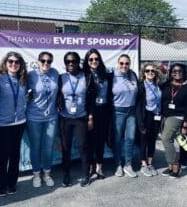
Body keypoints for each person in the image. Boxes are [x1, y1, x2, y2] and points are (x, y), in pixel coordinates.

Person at [58, 51, 96, 187]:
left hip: (81, 118)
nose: (71, 64)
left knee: (83, 147)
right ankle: (66, 175)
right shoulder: (61, 77)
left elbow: (91, 99)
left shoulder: (87, 77)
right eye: (68, 62)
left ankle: (86, 175)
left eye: (73, 61)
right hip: (65, 118)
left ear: (78, 62)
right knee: (66, 148)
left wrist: (90, 116)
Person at [0, 52, 27, 196]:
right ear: (5, 63)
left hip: (19, 122)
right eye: (11, 62)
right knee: (3, 155)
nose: (14, 64)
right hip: (2, 124)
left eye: (17, 62)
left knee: (15, 155)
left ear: (21, 65)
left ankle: (12, 183)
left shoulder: (23, 80)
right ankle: (1, 185)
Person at [26, 51, 59, 187]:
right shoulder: (31, 75)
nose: (46, 63)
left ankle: (47, 174)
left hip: (51, 117)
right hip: (34, 117)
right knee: (36, 147)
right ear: (38, 61)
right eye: (43, 60)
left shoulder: (55, 73)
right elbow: (23, 91)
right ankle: (36, 175)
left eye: (49, 61)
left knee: (48, 148)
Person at [82, 49, 113, 179]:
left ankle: (99, 166)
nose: (94, 61)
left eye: (96, 59)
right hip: (90, 112)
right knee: (89, 141)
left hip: (104, 111)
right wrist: (89, 115)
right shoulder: (84, 75)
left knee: (100, 140)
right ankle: (90, 167)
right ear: (87, 61)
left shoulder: (106, 74)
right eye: (91, 59)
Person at [161, 63, 187, 177]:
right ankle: (170, 166)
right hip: (165, 116)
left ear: (184, 73)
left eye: (180, 71)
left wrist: (185, 124)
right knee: (171, 140)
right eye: (174, 71)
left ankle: (176, 164)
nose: (177, 73)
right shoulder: (166, 85)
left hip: (177, 117)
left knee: (166, 139)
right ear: (170, 73)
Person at [112, 54, 139, 178]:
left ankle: (128, 165)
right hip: (118, 112)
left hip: (131, 112)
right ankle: (118, 164)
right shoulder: (112, 76)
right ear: (118, 64)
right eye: (122, 63)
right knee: (117, 139)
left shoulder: (133, 75)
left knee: (131, 138)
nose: (124, 65)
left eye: (127, 63)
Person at [136, 63, 162, 176]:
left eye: (152, 71)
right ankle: (143, 164)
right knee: (144, 141)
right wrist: (140, 123)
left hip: (156, 115)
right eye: (147, 71)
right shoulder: (141, 86)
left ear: (156, 73)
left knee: (152, 140)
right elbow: (138, 106)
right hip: (145, 115)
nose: (150, 72)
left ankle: (150, 163)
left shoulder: (158, 85)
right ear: (143, 73)